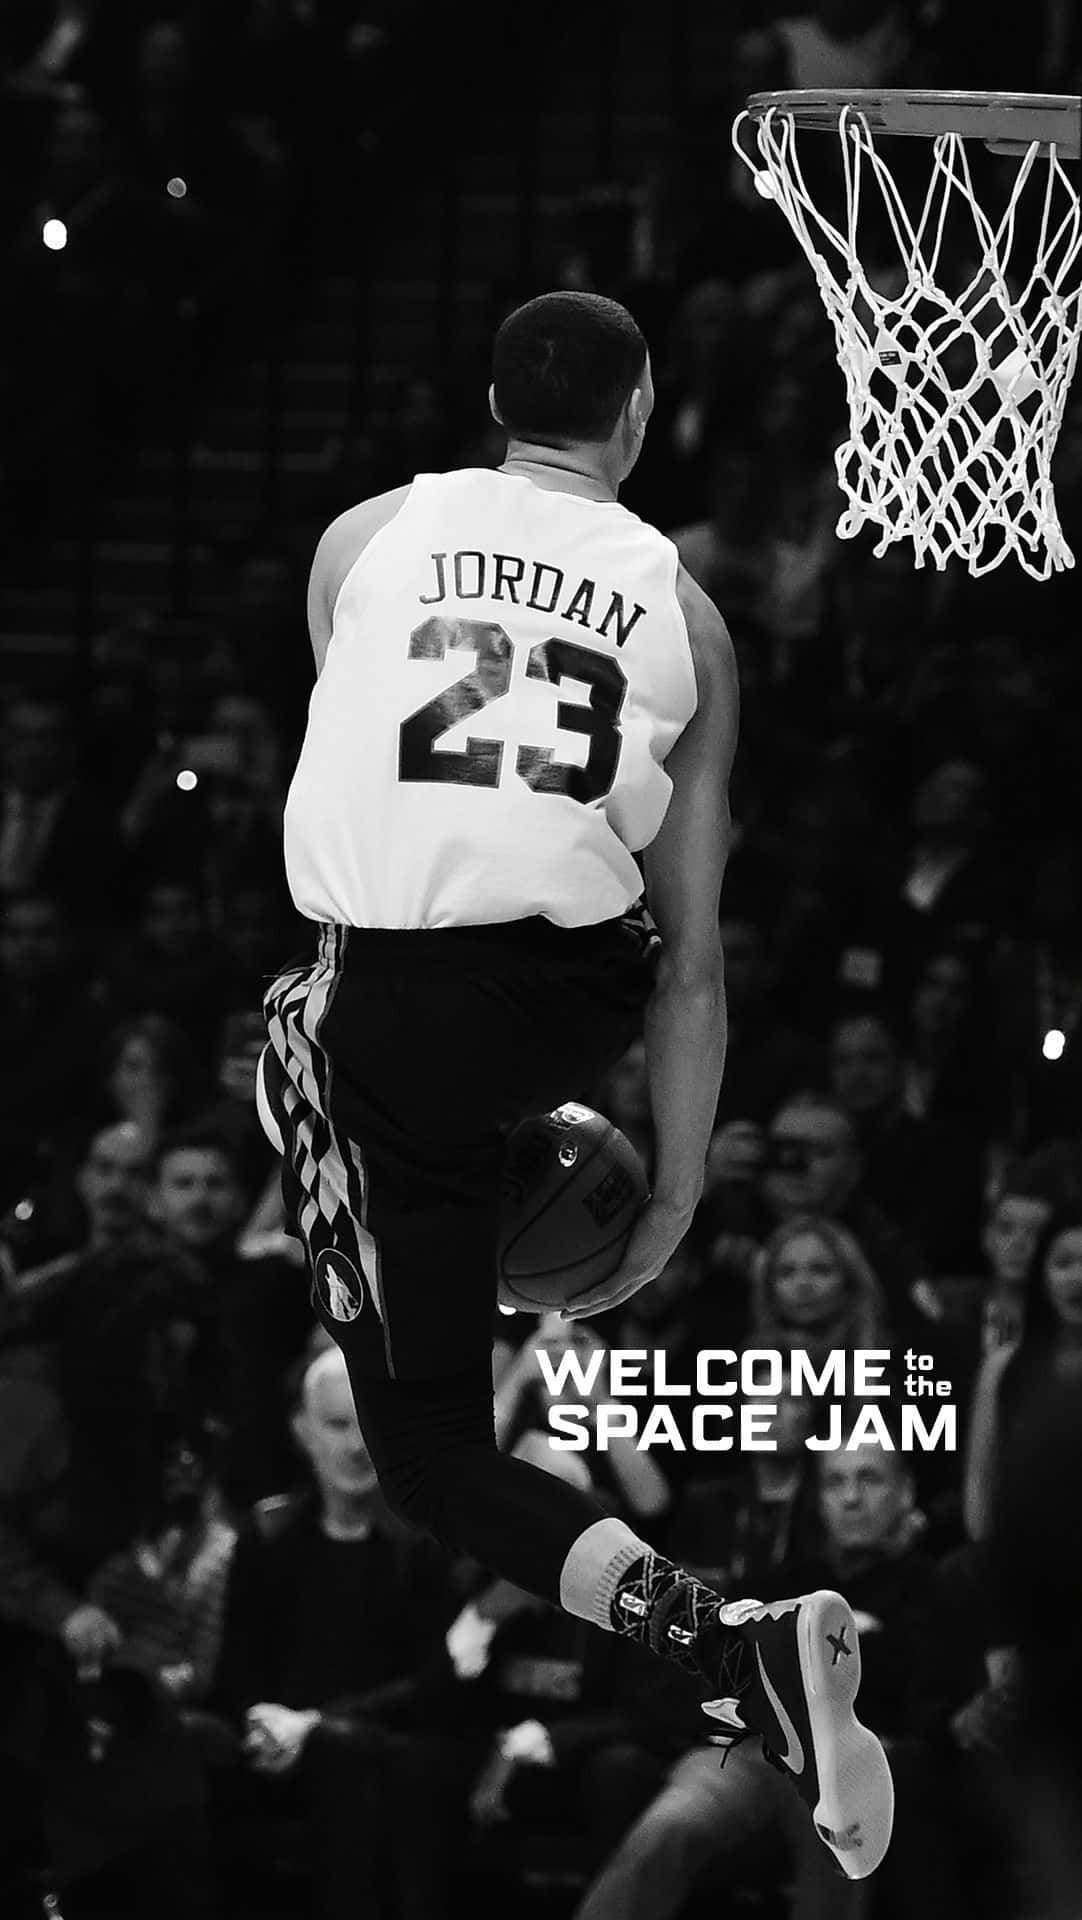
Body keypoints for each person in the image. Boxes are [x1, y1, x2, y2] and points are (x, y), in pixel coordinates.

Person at [259, 289, 893, 1879]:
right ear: (639, 414)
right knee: (427, 1102)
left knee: (425, 1456)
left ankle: (723, 1638)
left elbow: (364, 753)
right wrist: (676, 1197)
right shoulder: (689, 613)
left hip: (390, 1008)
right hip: (574, 990)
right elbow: (693, 961)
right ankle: (718, 1635)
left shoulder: (362, 540)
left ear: (491, 401)